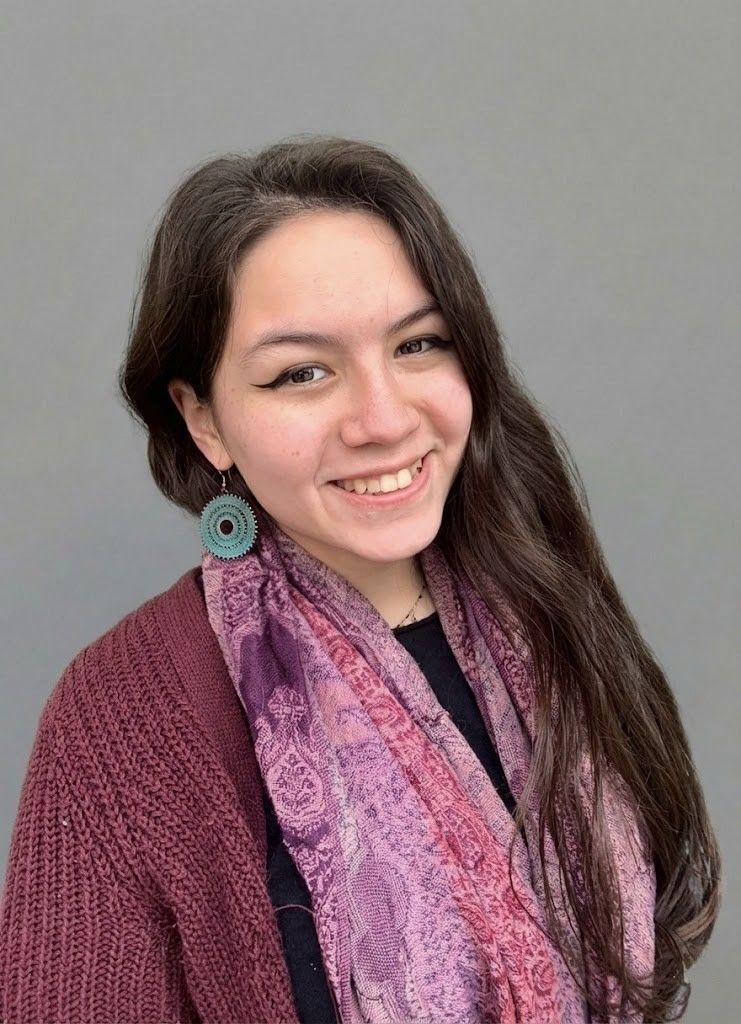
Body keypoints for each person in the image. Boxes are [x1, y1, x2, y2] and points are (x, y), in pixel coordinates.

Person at [0, 136, 719, 1024]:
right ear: (203, 420)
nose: (382, 420)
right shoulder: (122, 715)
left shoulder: (546, 609)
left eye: (419, 344)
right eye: (302, 372)